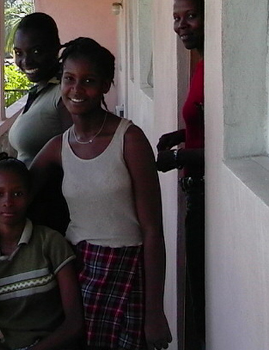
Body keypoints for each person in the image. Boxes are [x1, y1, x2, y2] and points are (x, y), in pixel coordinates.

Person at [29, 37, 172, 350]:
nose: (77, 90)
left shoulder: (129, 140)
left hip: (126, 271)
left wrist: (154, 312)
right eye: (69, 79)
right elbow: (14, 196)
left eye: (89, 81)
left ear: (107, 85)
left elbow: (152, 231)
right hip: (79, 271)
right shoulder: (59, 147)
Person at [0, 155, 84, 350]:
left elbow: (74, 324)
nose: (8, 202)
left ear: (29, 196)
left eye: (17, 194)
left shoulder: (50, 242)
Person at [155, 0, 205, 347]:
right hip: (194, 190)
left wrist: (179, 157)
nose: (181, 25)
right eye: (176, 18)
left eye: (190, 16)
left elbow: (222, 146)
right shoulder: (201, 65)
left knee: (200, 292)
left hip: (204, 194)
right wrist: (179, 135)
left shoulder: (217, 64)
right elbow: (205, 124)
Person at [8, 12, 72, 234]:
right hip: (30, 211)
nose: (25, 61)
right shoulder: (40, 90)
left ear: (56, 48)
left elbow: (75, 157)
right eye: (19, 53)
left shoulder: (64, 96)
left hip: (51, 215)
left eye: (36, 51)